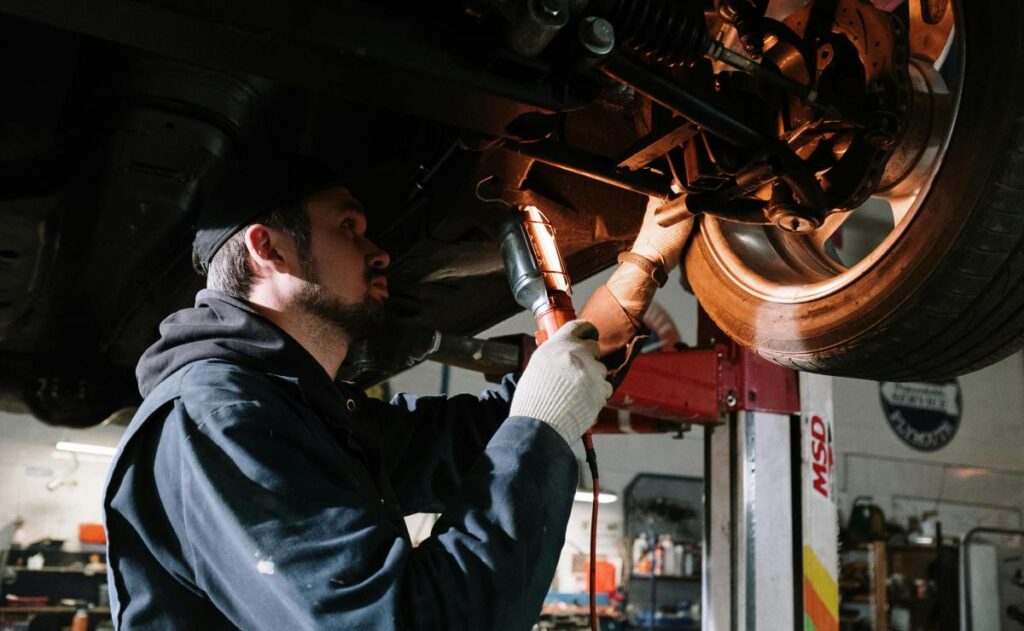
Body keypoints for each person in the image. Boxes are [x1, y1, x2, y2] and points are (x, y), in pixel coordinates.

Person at [103, 153, 692, 630]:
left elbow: (487, 432)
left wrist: (642, 267)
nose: (379, 250)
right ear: (269, 249)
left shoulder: (304, 412)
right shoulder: (214, 416)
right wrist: (542, 426)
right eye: (349, 226)